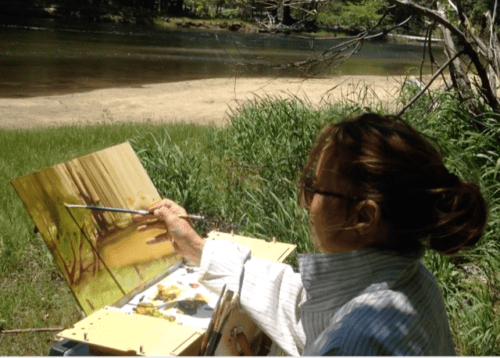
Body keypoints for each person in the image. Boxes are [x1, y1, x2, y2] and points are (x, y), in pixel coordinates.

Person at [133, 113, 488, 355]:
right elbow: (302, 306)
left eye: (314, 188)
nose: (306, 203)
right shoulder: (412, 283)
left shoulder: (353, 342)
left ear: (364, 217)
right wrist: (196, 246)